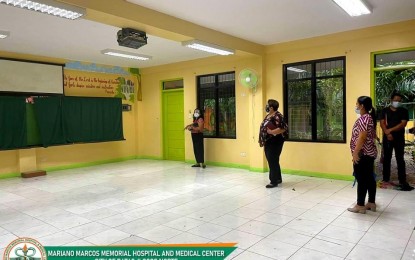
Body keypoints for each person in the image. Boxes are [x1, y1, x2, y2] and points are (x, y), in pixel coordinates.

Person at [348, 96, 378, 214]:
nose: (356, 106)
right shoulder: (369, 118)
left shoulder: (364, 119)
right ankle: (371, 202)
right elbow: (371, 135)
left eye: (357, 104)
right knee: (369, 178)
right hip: (369, 153)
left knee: (362, 179)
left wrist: (355, 153)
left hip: (363, 154)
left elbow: (362, 137)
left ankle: (360, 205)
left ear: (362, 106)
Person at [380, 92, 414, 191]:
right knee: (387, 159)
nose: (397, 102)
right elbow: (382, 123)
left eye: (399, 101)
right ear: (391, 100)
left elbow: (403, 124)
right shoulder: (384, 111)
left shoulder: (403, 111)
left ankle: (402, 180)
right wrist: (387, 133)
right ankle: (385, 179)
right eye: (395, 100)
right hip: (387, 138)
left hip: (399, 138)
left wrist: (390, 130)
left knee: (400, 159)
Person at [259, 99, 288, 188]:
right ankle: (278, 178)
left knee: (272, 159)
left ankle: (273, 181)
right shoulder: (269, 115)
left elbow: (283, 128)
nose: (266, 107)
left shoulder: (278, 116)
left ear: (271, 107)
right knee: (274, 160)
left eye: (267, 105)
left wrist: (271, 132)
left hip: (275, 140)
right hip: (268, 141)